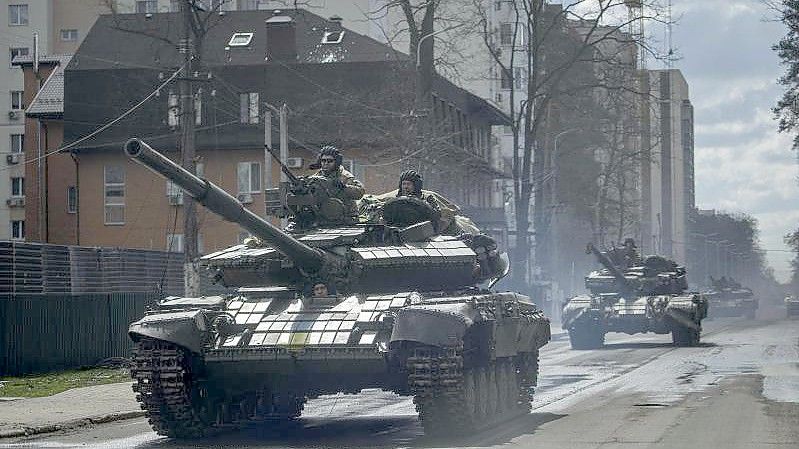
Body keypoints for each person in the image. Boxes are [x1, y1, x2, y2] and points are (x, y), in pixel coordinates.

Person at [310, 145, 365, 223]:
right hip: (324, 219)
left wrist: (343, 187)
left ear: (336, 162)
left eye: (330, 161)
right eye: (323, 160)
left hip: (347, 218)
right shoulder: (316, 178)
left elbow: (360, 192)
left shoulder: (344, 176)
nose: (326, 163)